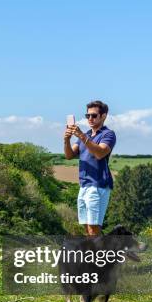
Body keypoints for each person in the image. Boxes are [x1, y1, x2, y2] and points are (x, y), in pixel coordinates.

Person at [63, 100, 116, 236]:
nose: (90, 119)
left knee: (93, 229)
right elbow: (69, 155)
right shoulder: (86, 135)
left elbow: (100, 153)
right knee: (87, 228)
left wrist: (81, 135)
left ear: (103, 116)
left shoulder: (108, 134)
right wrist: (66, 140)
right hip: (84, 185)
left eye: (94, 115)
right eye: (88, 116)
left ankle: (98, 256)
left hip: (98, 185)